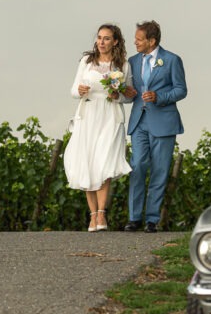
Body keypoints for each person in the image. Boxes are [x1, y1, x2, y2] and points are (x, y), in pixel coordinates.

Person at [63, 24, 133, 232]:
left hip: (110, 116)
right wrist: (80, 90)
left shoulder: (123, 65)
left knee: (105, 162)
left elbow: (128, 96)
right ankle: (93, 215)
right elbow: (73, 90)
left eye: (107, 39)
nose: (101, 42)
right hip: (88, 116)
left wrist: (117, 95)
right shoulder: (86, 62)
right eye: (99, 38)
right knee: (88, 163)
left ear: (116, 42)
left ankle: (102, 212)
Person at [122, 21, 187, 232]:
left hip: (164, 123)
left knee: (159, 171)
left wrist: (159, 97)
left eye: (139, 39)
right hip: (139, 121)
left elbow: (181, 90)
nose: (135, 42)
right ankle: (134, 218)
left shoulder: (172, 60)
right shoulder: (131, 61)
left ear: (152, 41)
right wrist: (127, 93)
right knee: (137, 166)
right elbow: (130, 91)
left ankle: (151, 219)